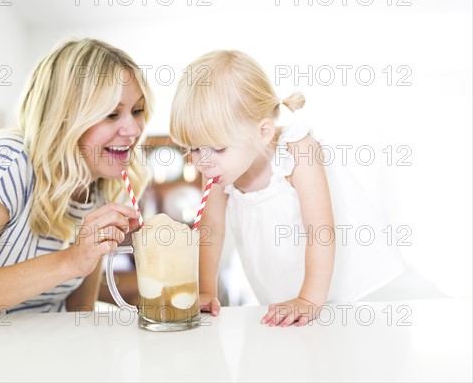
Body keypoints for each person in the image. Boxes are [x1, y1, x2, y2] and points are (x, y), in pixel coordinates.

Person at [0, 39, 153, 328]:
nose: (133, 129)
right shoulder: (8, 163)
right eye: (112, 114)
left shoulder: (101, 188)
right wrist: (70, 261)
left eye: (137, 111)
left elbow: (78, 311)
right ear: (64, 117)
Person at [169, 50, 405, 327]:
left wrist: (309, 299)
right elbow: (211, 227)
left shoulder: (298, 151)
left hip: (345, 294)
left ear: (263, 132)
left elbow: (320, 228)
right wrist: (205, 290)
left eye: (218, 148)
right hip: (283, 296)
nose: (202, 161)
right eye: (193, 149)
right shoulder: (218, 170)